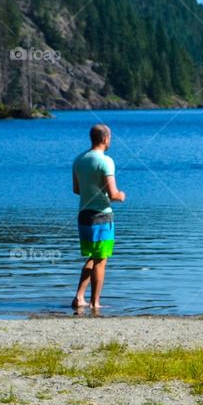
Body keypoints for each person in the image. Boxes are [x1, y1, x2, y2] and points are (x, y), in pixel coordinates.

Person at [72, 124, 125, 310]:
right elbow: (113, 194)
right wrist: (121, 195)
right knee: (101, 260)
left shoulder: (79, 159)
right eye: (110, 137)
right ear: (105, 139)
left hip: (83, 216)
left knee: (93, 257)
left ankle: (79, 298)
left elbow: (76, 190)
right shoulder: (106, 161)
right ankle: (95, 303)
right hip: (101, 217)